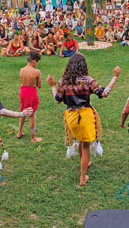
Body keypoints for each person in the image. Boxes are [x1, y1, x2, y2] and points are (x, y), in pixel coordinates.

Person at [47, 54, 120, 186]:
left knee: (81, 140)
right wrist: (114, 77)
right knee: (85, 145)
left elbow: (58, 100)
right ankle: (82, 177)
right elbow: (104, 93)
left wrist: (52, 85)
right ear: (83, 65)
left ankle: (85, 162)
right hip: (85, 116)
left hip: (71, 117)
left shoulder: (63, 81)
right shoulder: (87, 80)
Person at [18, 51, 42, 142]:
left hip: (23, 92)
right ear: (34, 61)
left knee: (23, 111)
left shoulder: (21, 70)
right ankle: (33, 137)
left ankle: (19, 132)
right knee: (32, 115)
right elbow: (39, 86)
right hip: (31, 93)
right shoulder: (37, 71)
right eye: (37, 62)